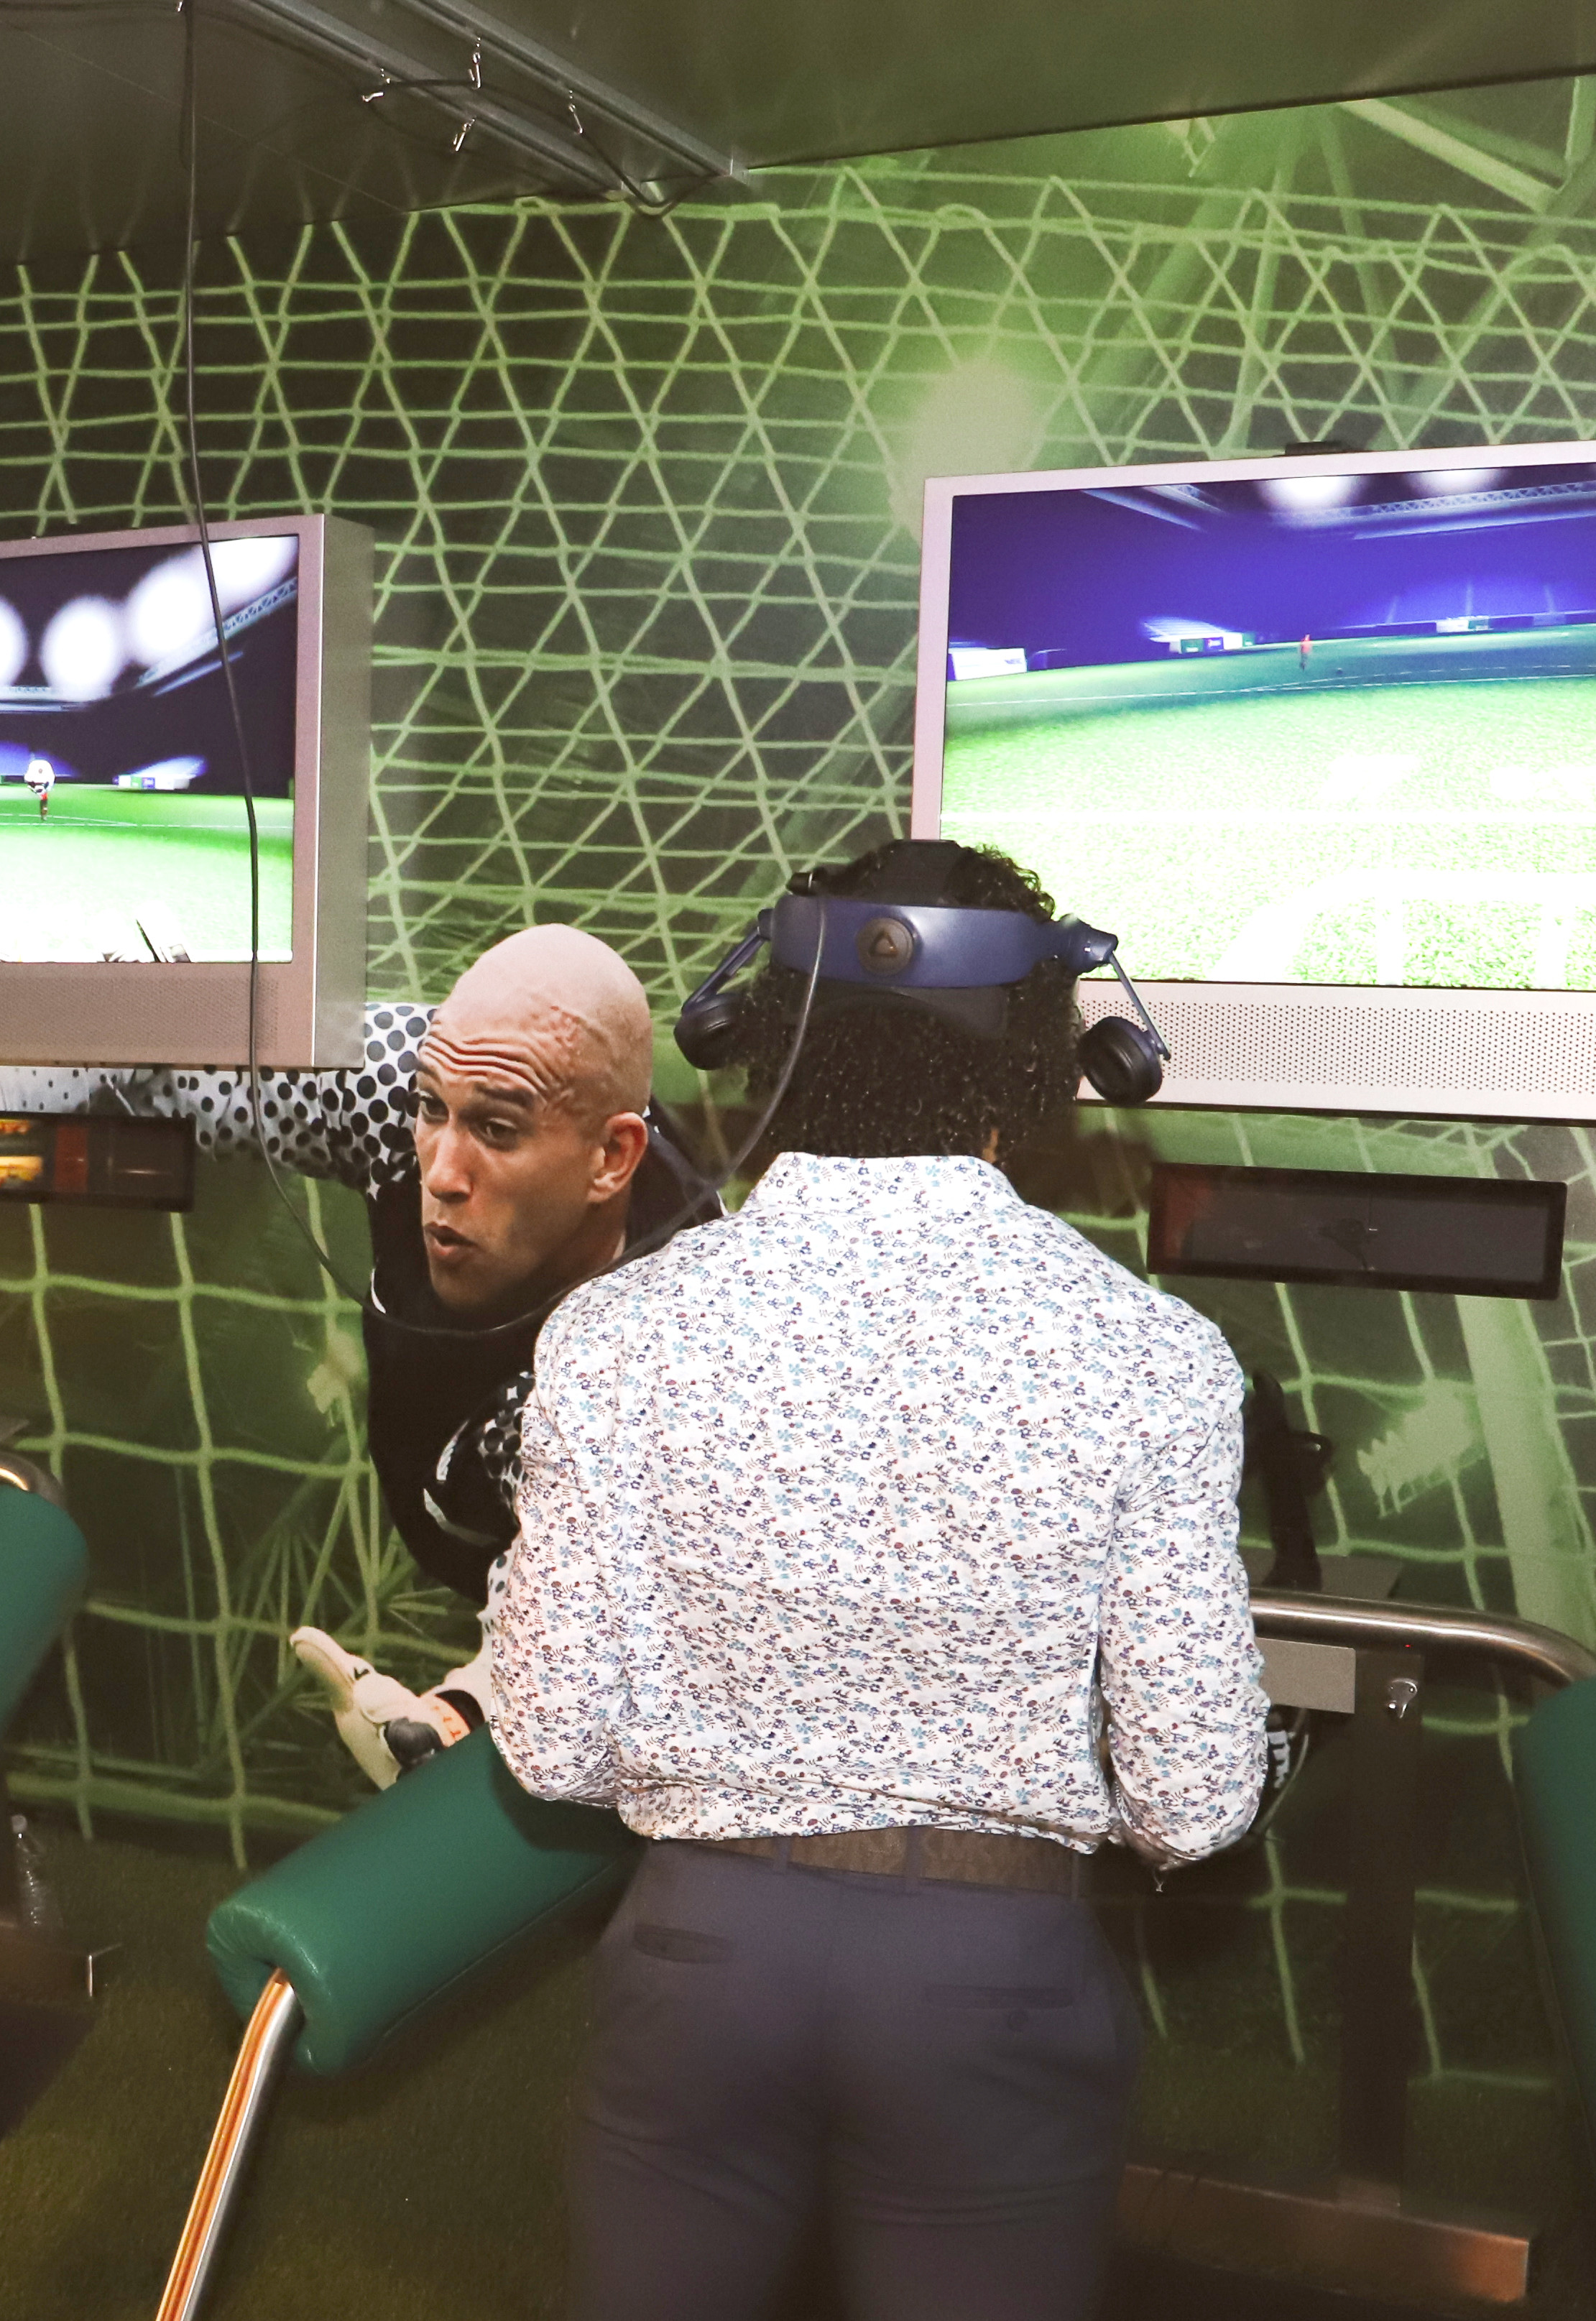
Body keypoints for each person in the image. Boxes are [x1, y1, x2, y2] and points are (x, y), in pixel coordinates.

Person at [484, 836, 1267, 2321]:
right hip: (996, 1979)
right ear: (1047, 1060)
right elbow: (1194, 1800)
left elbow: (553, 1743)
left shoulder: (614, 1333)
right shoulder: (1151, 1356)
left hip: (698, 1961)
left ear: (759, 1039)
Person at [0, 924, 716, 1786]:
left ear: (612, 1158)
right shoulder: (415, 1084)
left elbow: (605, 1606)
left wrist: (464, 1708)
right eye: (436, 1111)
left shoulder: (659, 1367)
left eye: (498, 1131)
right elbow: (170, 1042)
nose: (440, 1168)